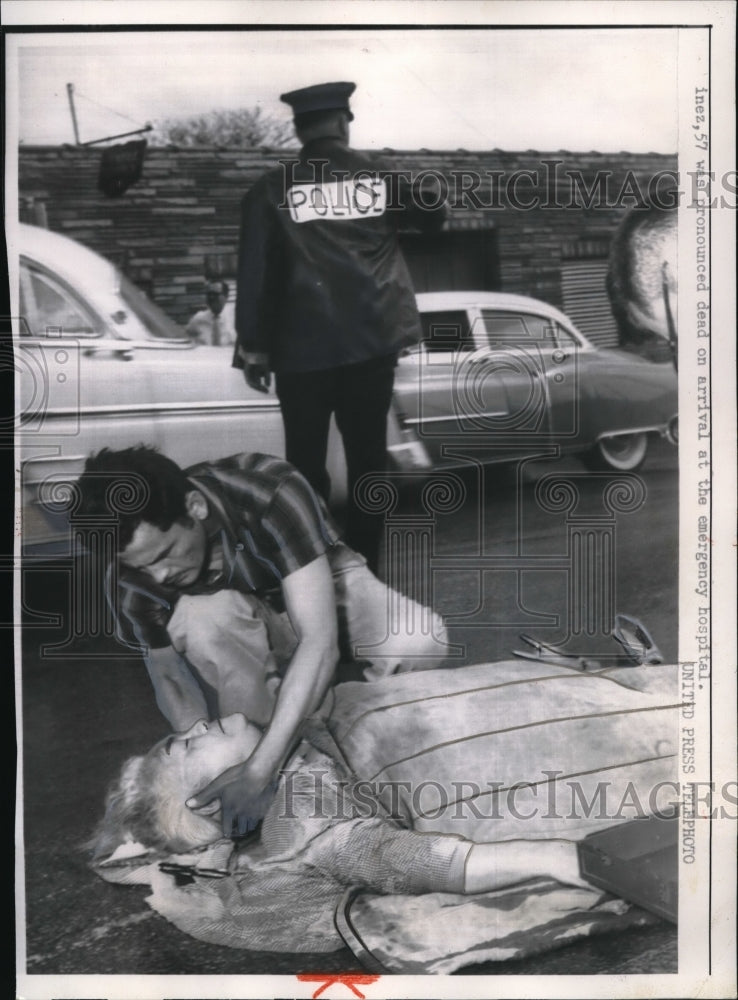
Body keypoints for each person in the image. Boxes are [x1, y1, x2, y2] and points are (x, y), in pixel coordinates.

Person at [91, 659, 679, 963]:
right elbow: (416, 861)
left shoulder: (293, 729)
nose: (194, 724)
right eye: (189, 744)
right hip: (507, 751)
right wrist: (558, 857)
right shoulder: (306, 828)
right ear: (208, 799)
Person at [76, 445, 448, 836]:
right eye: (141, 566)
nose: (160, 576)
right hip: (237, 620)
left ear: (196, 507)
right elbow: (168, 676)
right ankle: (275, 769)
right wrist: (202, 765)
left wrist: (257, 772)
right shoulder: (130, 579)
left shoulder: (269, 493)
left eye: (166, 553)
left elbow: (319, 642)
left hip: (320, 590)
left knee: (418, 641)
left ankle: (352, 751)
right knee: (204, 618)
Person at [233, 81, 447, 574]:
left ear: (297, 129)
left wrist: (254, 349)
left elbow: (254, 273)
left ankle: (313, 567)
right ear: (344, 122)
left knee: (304, 466)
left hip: (300, 354)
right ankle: (365, 568)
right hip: (371, 346)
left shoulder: (270, 189)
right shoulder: (380, 180)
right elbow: (433, 220)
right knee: (369, 461)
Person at [185, 279, 237, 346]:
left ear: (226, 296)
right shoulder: (198, 319)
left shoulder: (235, 317)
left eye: (215, 294)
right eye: (209, 294)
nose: (211, 297)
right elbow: (188, 336)